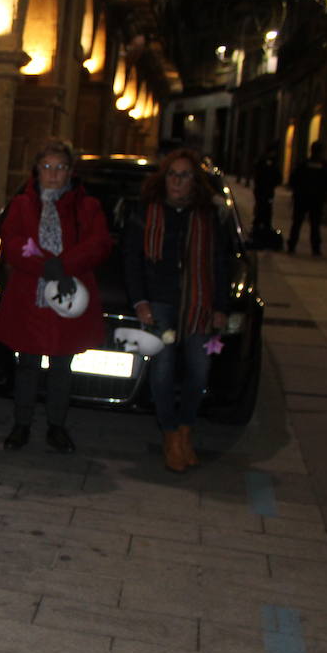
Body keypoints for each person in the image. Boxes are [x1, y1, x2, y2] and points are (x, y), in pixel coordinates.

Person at [0, 140, 111, 453]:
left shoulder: (87, 206)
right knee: (27, 365)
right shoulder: (22, 204)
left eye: (60, 168)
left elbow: (98, 243)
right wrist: (45, 266)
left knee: (62, 366)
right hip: (31, 297)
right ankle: (22, 424)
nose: (53, 174)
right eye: (47, 167)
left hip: (69, 296)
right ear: (37, 170)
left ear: (70, 172)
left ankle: (56, 426)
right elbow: (12, 242)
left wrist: (64, 266)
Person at [122, 148, 230, 472]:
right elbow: (131, 258)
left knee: (200, 368)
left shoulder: (208, 216)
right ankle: (170, 434)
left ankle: (185, 430)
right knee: (163, 368)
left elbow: (220, 262)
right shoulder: (147, 211)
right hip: (160, 302)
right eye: (172, 174)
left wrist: (221, 306)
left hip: (199, 303)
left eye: (184, 175)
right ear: (163, 177)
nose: (177, 181)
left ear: (194, 181)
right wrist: (140, 301)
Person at [288, 140, 327, 256]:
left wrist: (297, 192)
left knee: (297, 223)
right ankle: (315, 248)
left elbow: (293, 179)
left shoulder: (303, 164)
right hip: (316, 200)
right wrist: (325, 194)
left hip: (302, 198)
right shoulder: (326, 166)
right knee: (315, 225)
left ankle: (292, 245)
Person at [251, 143, 279, 235]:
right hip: (263, 190)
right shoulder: (265, 161)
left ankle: (262, 227)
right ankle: (259, 227)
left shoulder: (269, 161)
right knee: (262, 208)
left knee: (265, 208)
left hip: (265, 190)